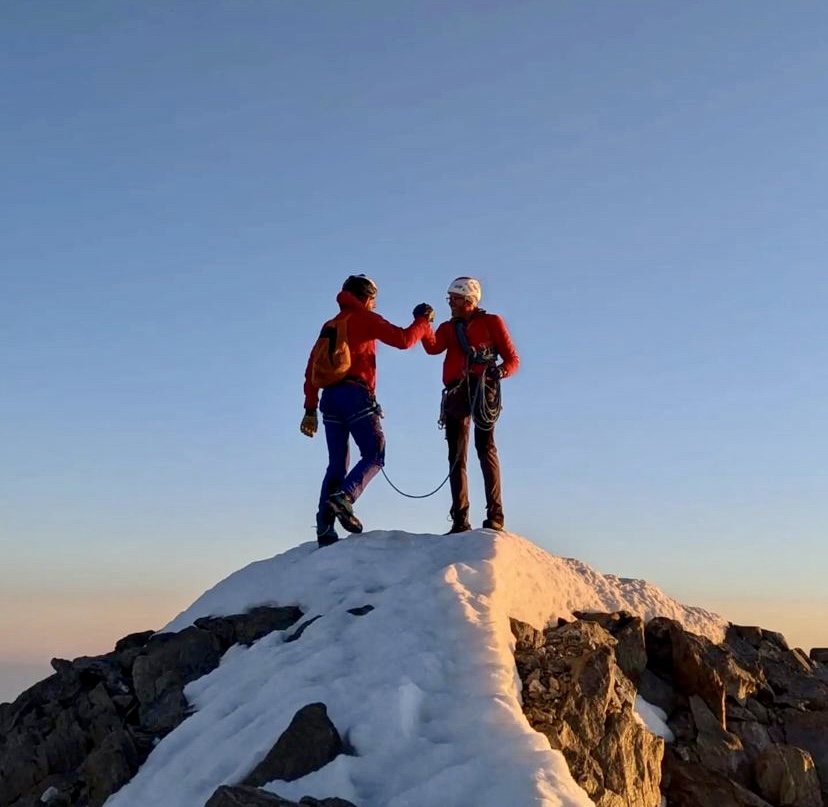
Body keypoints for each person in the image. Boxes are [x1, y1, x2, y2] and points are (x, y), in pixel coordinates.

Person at [301, 274, 434, 547]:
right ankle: (345, 497)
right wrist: (423, 320)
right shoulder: (365, 318)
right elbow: (403, 339)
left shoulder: (330, 324)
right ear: (366, 297)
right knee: (375, 453)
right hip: (357, 396)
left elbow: (312, 367)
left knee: (337, 463)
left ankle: (324, 530)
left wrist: (310, 408)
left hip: (330, 399)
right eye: (373, 299)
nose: (374, 304)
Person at [422, 277, 519, 533]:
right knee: (456, 456)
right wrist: (423, 324)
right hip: (456, 391)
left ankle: (495, 515)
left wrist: (501, 372)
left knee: (484, 447)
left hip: (482, 388)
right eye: (450, 298)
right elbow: (432, 348)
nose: (450, 303)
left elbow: (513, 359)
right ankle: (460, 520)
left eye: (454, 298)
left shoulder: (492, 322)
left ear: (468, 300)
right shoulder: (447, 327)